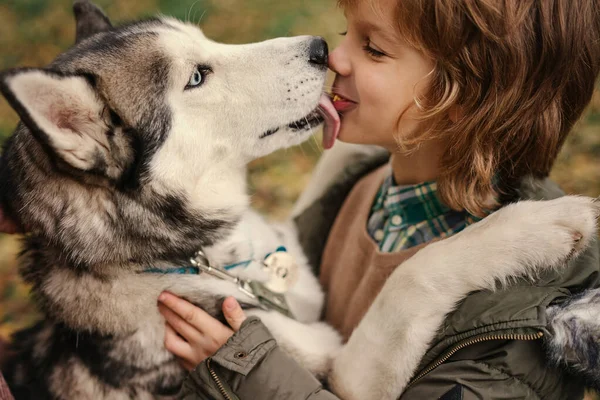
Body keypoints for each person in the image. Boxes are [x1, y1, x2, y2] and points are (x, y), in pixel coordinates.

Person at [1, 1, 599, 399]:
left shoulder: (530, 316)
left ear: (461, 100)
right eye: (198, 77)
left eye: (375, 48)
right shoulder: (358, 184)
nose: (329, 54)